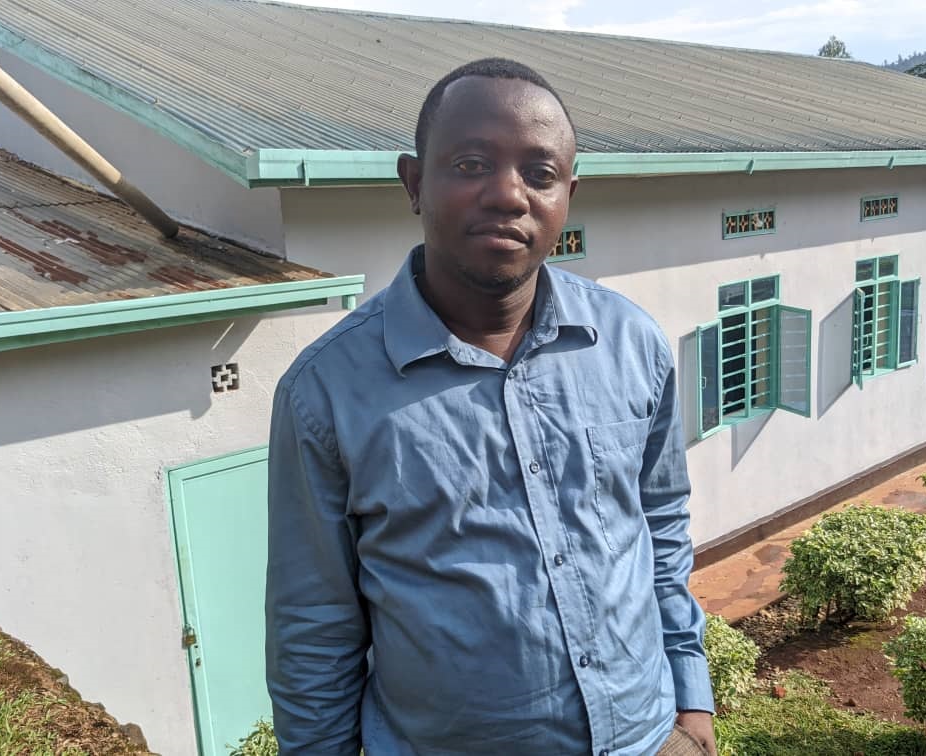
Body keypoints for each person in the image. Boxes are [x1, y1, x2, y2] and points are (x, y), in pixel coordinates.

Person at [266, 58, 717, 756]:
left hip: (650, 737)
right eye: (471, 164)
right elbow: (313, 623)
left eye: (540, 173)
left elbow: (659, 524)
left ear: (568, 194)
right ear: (414, 183)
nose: (509, 195)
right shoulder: (325, 392)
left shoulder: (631, 343)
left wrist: (691, 703)